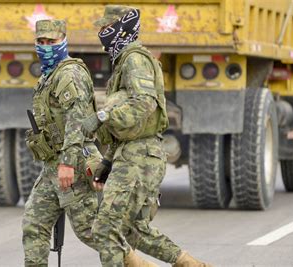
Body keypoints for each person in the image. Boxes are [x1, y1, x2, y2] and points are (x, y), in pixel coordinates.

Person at [81, 5, 213, 267]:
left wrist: (102, 118)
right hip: (133, 154)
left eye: (106, 28)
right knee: (134, 231)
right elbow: (129, 124)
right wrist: (106, 162)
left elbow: (144, 103)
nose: (101, 34)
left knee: (106, 230)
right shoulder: (124, 62)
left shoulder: (134, 59)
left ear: (122, 29)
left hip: (139, 157)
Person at [21, 19, 102, 266]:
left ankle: (132, 260)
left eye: (51, 42)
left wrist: (67, 163)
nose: (45, 47)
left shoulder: (69, 74)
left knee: (92, 232)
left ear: (64, 41)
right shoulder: (49, 75)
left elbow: (78, 120)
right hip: (51, 166)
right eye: (41, 42)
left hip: (72, 164)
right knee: (34, 225)